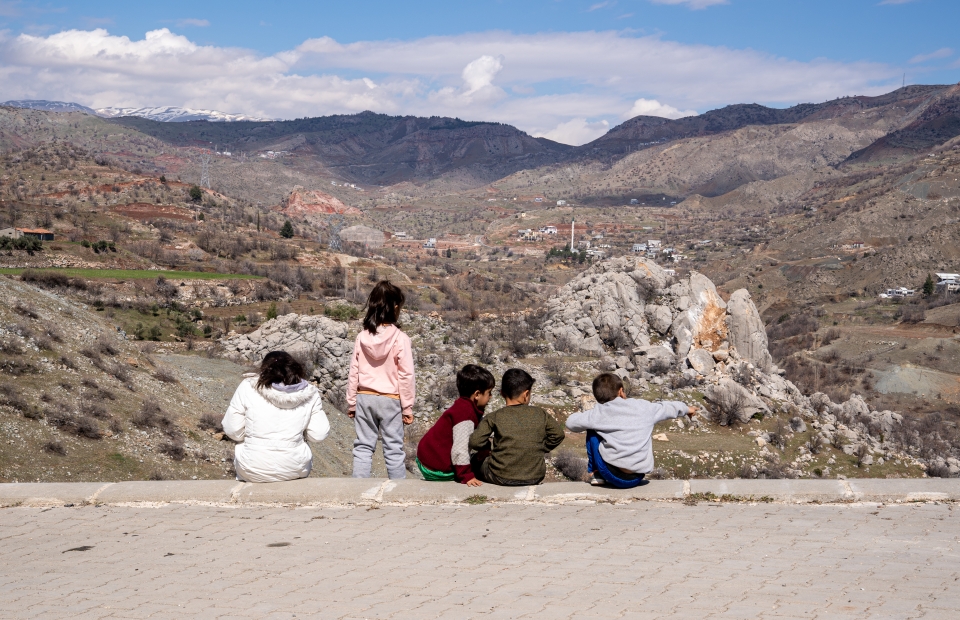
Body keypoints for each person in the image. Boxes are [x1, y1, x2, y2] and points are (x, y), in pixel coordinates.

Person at [565, 372, 696, 488]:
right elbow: (667, 408)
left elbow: (570, 423)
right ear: (621, 391)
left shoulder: (598, 413)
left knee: (592, 432)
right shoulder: (643, 407)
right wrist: (687, 409)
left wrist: (590, 415)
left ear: (598, 396)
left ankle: (596, 474)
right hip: (638, 475)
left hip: (611, 474)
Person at [222, 351, 329, 483]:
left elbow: (232, 430)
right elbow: (318, 435)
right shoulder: (310, 393)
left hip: (252, 468)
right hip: (294, 468)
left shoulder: (248, 386)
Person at [346, 280, 415, 479]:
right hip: (390, 399)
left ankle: (359, 490)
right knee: (393, 448)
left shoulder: (362, 337)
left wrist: (352, 403)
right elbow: (406, 375)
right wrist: (407, 406)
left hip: (364, 397)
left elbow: (354, 372)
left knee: (363, 447)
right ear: (395, 307)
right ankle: (396, 492)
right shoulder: (401, 338)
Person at [468, 368, 565, 486]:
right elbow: (559, 434)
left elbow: (474, 442)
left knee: (474, 460)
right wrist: (541, 447)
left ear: (502, 393)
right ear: (526, 394)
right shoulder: (540, 413)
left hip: (499, 476)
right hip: (535, 476)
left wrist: (488, 449)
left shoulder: (494, 416)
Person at [416, 364, 495, 486]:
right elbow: (460, 448)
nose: (491, 396)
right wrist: (466, 476)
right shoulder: (465, 415)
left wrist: (484, 448)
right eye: (489, 392)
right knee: (478, 467)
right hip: (436, 466)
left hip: (428, 456)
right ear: (477, 394)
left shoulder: (464, 405)